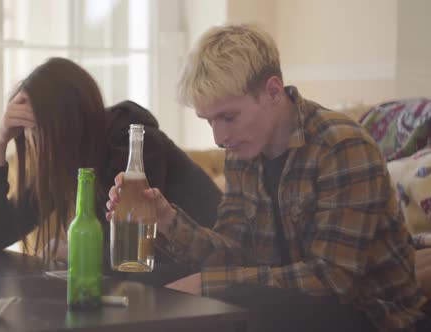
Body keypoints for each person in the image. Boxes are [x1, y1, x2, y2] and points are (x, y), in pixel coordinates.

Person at [106, 24, 428, 331]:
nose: (219, 138)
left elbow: (332, 280)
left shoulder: (341, 146)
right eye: (209, 121)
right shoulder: (243, 156)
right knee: (144, 281)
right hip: (290, 301)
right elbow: (231, 254)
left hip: (373, 317)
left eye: (228, 117)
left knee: (230, 297)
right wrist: (167, 220)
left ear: (273, 91)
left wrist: (207, 285)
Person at [0, 57, 222, 285]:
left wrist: (71, 251)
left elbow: (129, 255)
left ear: (70, 121)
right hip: (154, 280)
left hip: (205, 271)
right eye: (27, 131)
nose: (33, 142)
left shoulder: (136, 147)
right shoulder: (67, 159)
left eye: (39, 129)